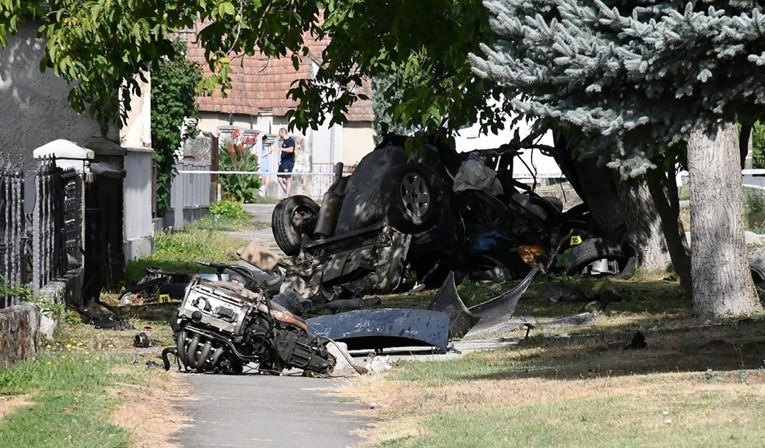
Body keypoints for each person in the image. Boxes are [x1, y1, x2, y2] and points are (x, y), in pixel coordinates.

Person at [275, 128, 296, 197]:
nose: (279, 134)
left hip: (288, 162)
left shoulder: (290, 140)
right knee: (279, 178)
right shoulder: (284, 141)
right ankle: (288, 193)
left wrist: (281, 149)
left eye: (279, 133)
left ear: (282, 132)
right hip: (283, 162)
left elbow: (291, 149)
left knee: (288, 178)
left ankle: (287, 195)